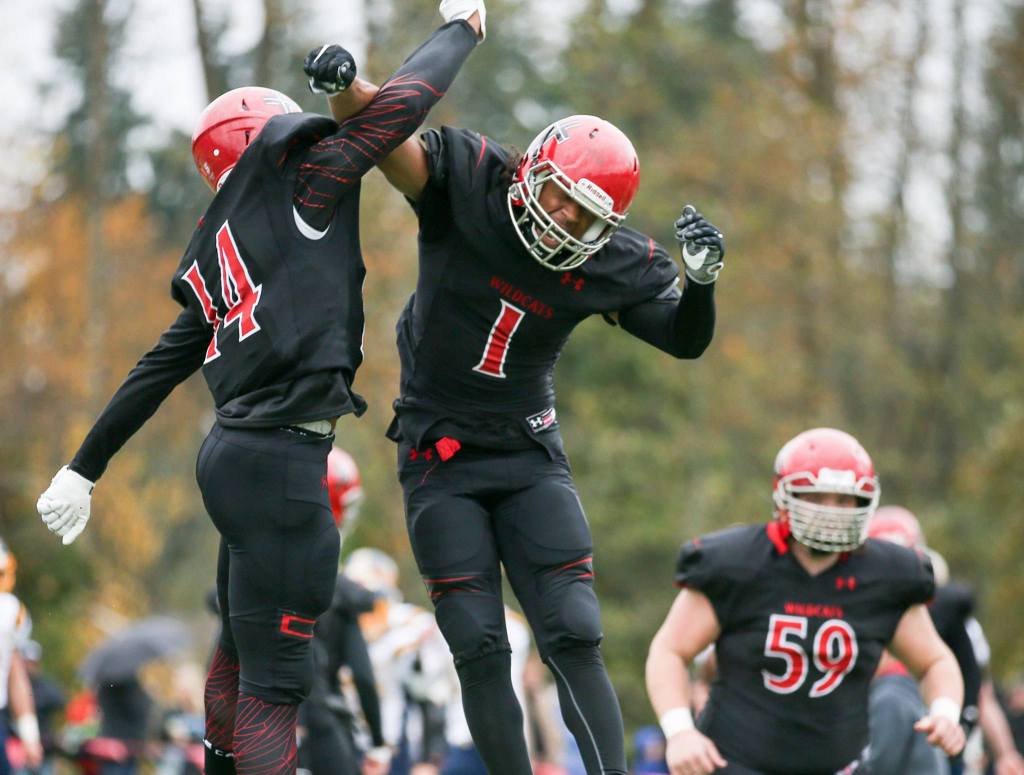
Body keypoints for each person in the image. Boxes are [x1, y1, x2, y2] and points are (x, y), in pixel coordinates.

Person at [34, 7, 484, 775]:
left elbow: (156, 367)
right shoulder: (304, 186)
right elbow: (400, 107)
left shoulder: (218, 245)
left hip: (233, 458)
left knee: (237, 660)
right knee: (277, 685)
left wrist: (84, 465)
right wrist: (462, 31)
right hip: (281, 461)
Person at [304, 36, 724, 775]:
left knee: (573, 630)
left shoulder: (607, 262)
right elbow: (379, 134)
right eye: (559, 191)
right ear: (532, 170)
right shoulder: (470, 180)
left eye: (584, 212)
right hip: (441, 455)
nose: (562, 215)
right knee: (478, 641)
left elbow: (683, 340)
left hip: (528, 452)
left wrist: (701, 285)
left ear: (607, 225)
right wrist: (344, 86)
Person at [645, 427, 966, 775]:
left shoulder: (886, 574)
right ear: (785, 495)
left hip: (838, 766)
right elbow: (670, 650)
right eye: (816, 497)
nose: (831, 512)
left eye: (843, 500)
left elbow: (935, 660)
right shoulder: (738, 563)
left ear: (865, 501)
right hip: (733, 763)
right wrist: (679, 731)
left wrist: (946, 712)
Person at [298, 447, 387, 775]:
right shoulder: (342, 595)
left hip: (259, 719)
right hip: (322, 721)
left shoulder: (254, 575)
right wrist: (377, 740)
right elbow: (363, 675)